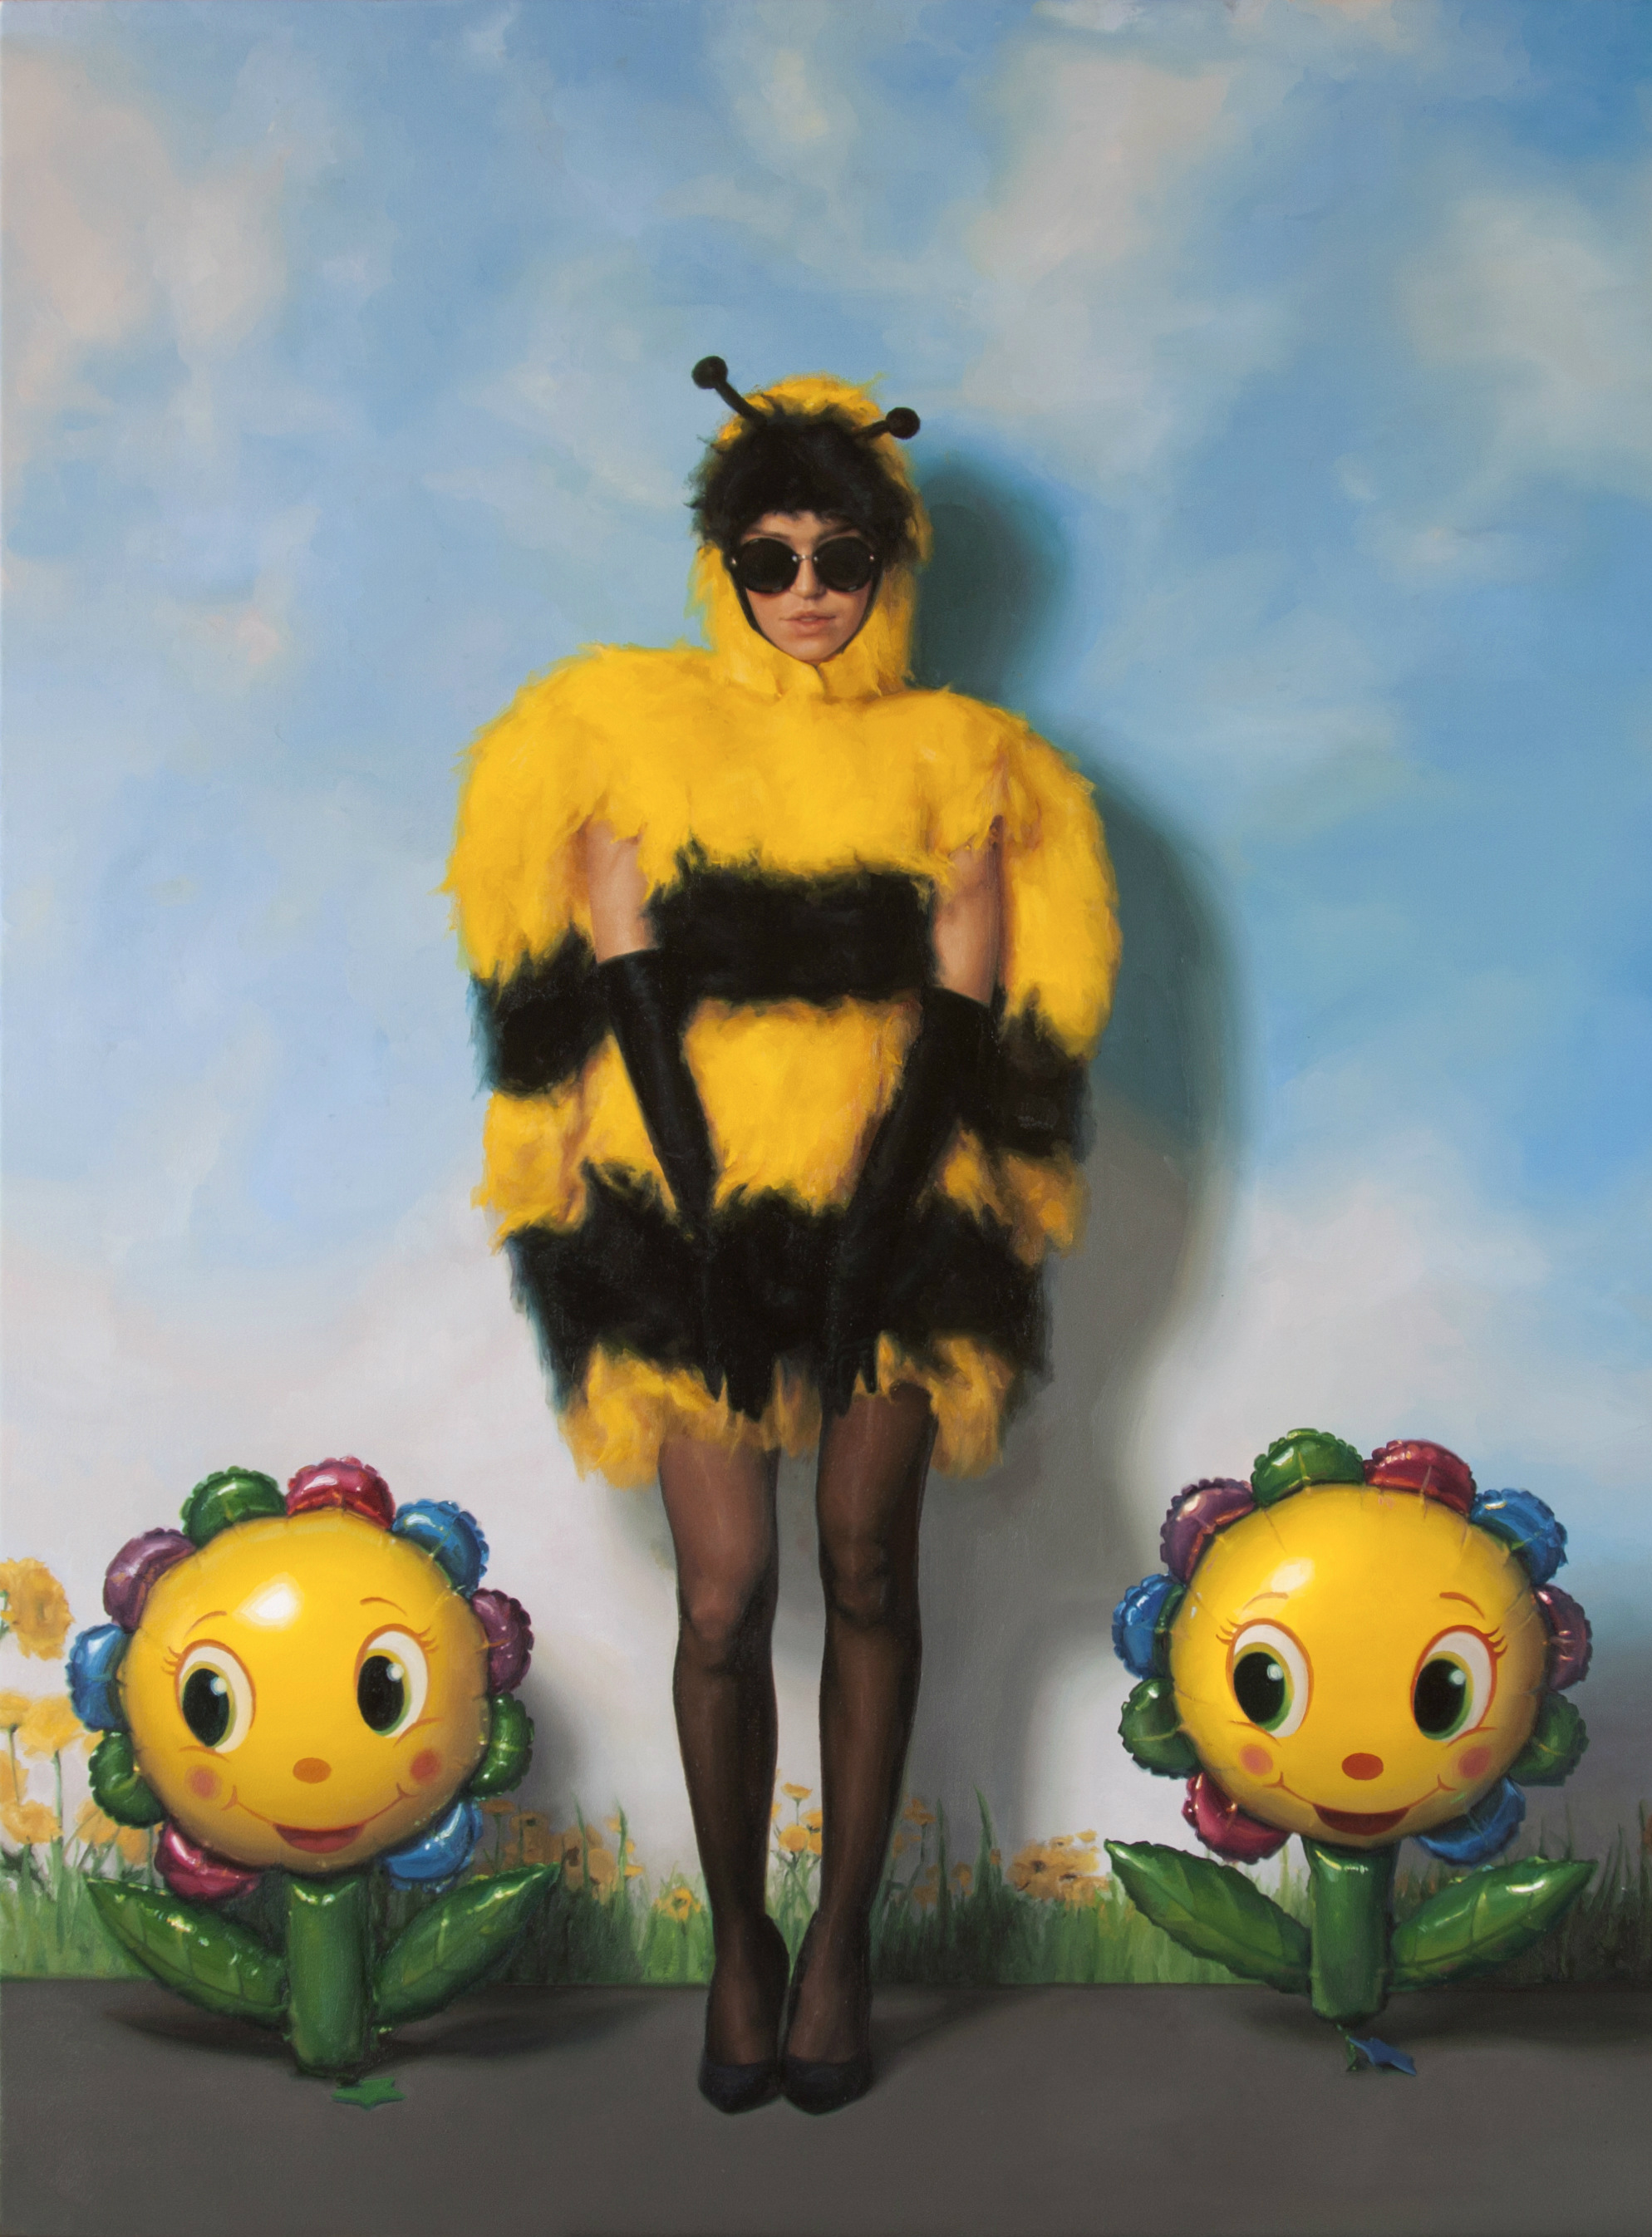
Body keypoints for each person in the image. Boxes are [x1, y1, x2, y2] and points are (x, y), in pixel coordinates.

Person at [446, 361, 1119, 2112]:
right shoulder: (623, 735)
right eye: (770, 557)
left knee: (871, 1560)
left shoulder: (966, 762)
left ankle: (842, 1951)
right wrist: (715, 1239)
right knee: (727, 1591)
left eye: (841, 554)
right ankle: (740, 1940)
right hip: (678, 1222)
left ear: (891, 564)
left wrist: (860, 1248)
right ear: (723, 565)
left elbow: (962, 1027)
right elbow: (623, 997)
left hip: (905, 1212)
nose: (807, 588)